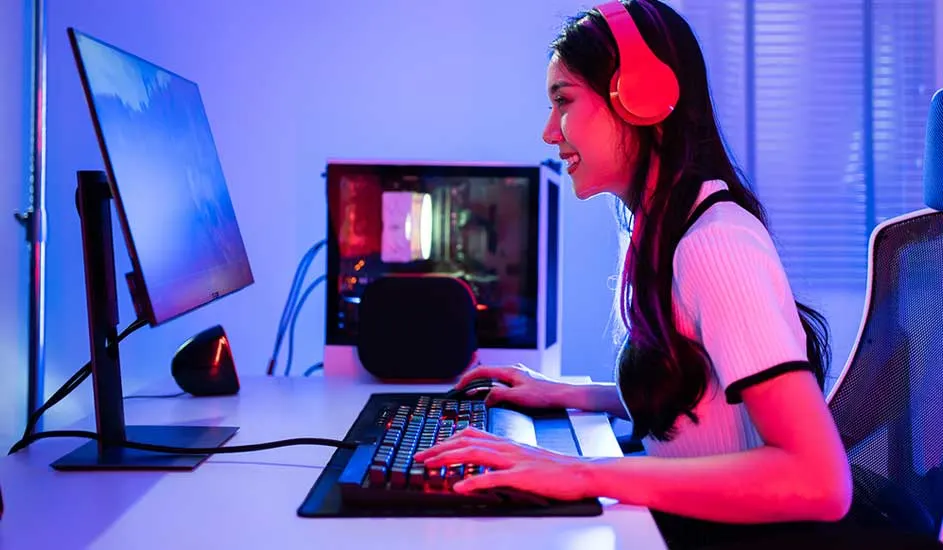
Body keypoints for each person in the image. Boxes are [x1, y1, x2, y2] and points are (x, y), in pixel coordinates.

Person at [414, 0, 855, 544]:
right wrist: (569, 395)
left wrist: (579, 474)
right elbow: (704, 406)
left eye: (564, 101)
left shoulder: (715, 244)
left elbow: (820, 481)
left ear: (641, 98)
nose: (550, 133)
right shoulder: (662, 230)